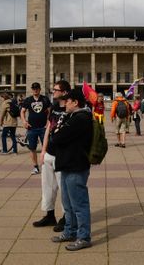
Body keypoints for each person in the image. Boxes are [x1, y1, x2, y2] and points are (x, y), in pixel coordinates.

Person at [50, 88, 93, 251]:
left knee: (79, 204)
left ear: (75, 102)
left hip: (76, 166)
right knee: (68, 204)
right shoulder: (72, 117)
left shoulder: (81, 118)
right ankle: (70, 231)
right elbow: (56, 135)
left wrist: (57, 133)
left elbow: (57, 137)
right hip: (67, 165)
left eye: (67, 101)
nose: (64, 103)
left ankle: (84, 237)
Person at [33, 80, 71, 231]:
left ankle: (66, 217)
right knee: (47, 186)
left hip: (63, 155)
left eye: (56, 89)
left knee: (64, 187)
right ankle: (49, 215)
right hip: (49, 153)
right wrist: (43, 150)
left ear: (64, 92)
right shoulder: (54, 107)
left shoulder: (70, 108)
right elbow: (48, 128)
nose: (53, 92)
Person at [21, 82, 52, 175]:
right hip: (31, 128)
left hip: (43, 128)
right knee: (32, 148)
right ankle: (35, 167)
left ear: (39, 89)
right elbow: (22, 111)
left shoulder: (45, 99)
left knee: (46, 147)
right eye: (34, 88)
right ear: (32, 89)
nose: (35, 90)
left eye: (37, 88)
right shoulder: (28, 100)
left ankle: (46, 166)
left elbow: (50, 111)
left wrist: (48, 122)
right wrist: (24, 121)